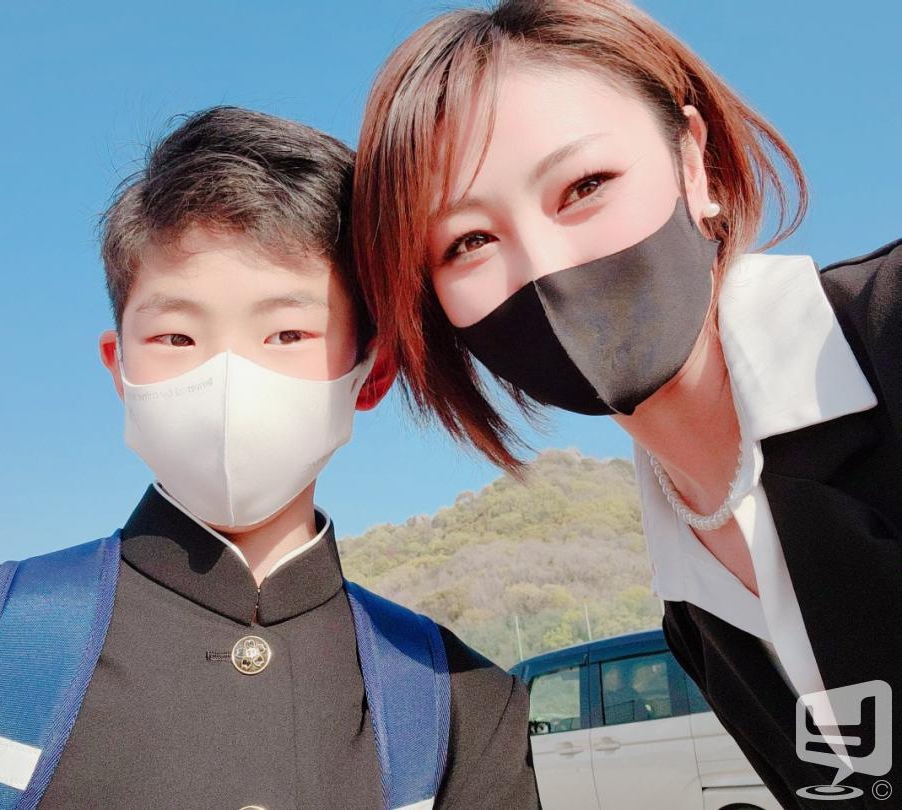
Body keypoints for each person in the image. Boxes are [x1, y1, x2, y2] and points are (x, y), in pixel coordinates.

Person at [0, 106, 541, 809]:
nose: (228, 379)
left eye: (287, 334)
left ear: (372, 374)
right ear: (119, 367)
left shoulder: (464, 707)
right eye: (176, 338)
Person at [349, 1, 900, 806]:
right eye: (468, 242)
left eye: (585, 186)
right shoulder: (691, 605)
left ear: (693, 162)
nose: (545, 265)